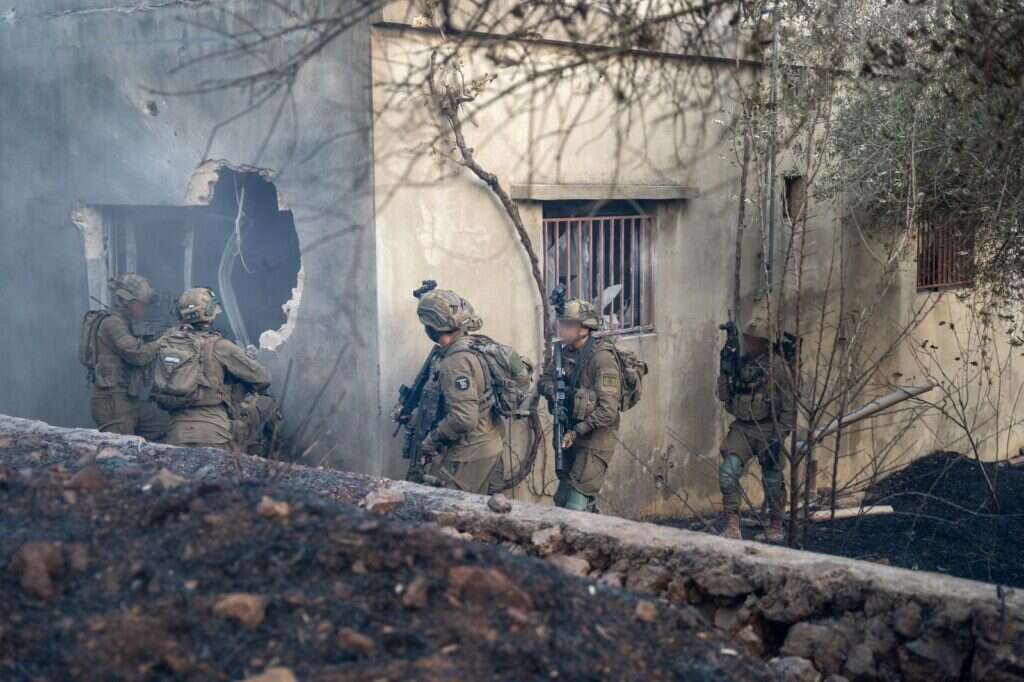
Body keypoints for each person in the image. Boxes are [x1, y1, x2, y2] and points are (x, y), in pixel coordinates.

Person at [153, 287, 275, 452]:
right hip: (214, 433)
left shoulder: (165, 341)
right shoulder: (220, 346)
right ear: (209, 312)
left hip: (176, 432)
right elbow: (263, 378)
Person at [412, 288, 505, 494]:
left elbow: (464, 419)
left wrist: (432, 440)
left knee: (446, 517)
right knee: (489, 521)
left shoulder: (455, 362)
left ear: (433, 328)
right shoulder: (475, 345)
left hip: (470, 454)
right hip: (492, 446)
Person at [717, 317, 796, 542]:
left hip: (769, 428)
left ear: (764, 343)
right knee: (727, 473)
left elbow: (789, 405)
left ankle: (776, 525)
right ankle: (732, 525)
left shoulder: (778, 367)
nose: (748, 344)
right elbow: (724, 396)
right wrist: (725, 367)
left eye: (753, 341)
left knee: (772, 478)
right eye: (746, 340)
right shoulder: (741, 363)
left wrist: (780, 435)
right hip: (742, 428)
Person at [541, 298, 622, 512]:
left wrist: (578, 431)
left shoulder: (602, 359)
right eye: (562, 323)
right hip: (568, 432)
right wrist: (554, 391)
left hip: (595, 439)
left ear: (585, 328)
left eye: (569, 324)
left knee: (575, 506)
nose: (563, 328)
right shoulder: (563, 352)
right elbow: (544, 380)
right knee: (562, 499)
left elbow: (608, 410)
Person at [80, 273, 162, 435]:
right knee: (118, 453)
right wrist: (161, 343)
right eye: (141, 304)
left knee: (162, 425)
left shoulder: (124, 322)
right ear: (126, 301)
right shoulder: (113, 323)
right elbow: (136, 354)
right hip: (113, 403)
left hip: (126, 400)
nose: (144, 308)